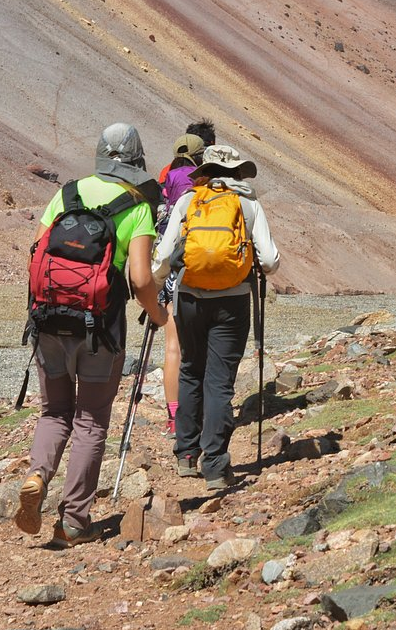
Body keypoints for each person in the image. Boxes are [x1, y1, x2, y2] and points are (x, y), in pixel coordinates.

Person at [14, 123, 169, 547]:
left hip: (48, 323)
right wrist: (158, 314)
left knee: (53, 412)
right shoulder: (136, 205)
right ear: (136, 161)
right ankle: (74, 522)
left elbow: (35, 254)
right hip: (99, 330)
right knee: (90, 419)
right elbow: (140, 279)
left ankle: (37, 475)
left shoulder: (66, 194)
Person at [152, 144, 280, 490]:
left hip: (189, 299)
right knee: (220, 381)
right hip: (233, 302)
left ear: (205, 171)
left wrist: (157, 286)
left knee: (191, 370)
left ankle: (186, 454)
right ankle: (215, 465)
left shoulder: (188, 200)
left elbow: (162, 258)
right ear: (238, 172)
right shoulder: (249, 204)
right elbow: (269, 261)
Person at [156, 133, 206, 436]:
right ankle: (203, 411)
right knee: (203, 347)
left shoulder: (166, 180)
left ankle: (175, 415)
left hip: (173, 272)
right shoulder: (207, 182)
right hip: (205, 272)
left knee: (173, 347)